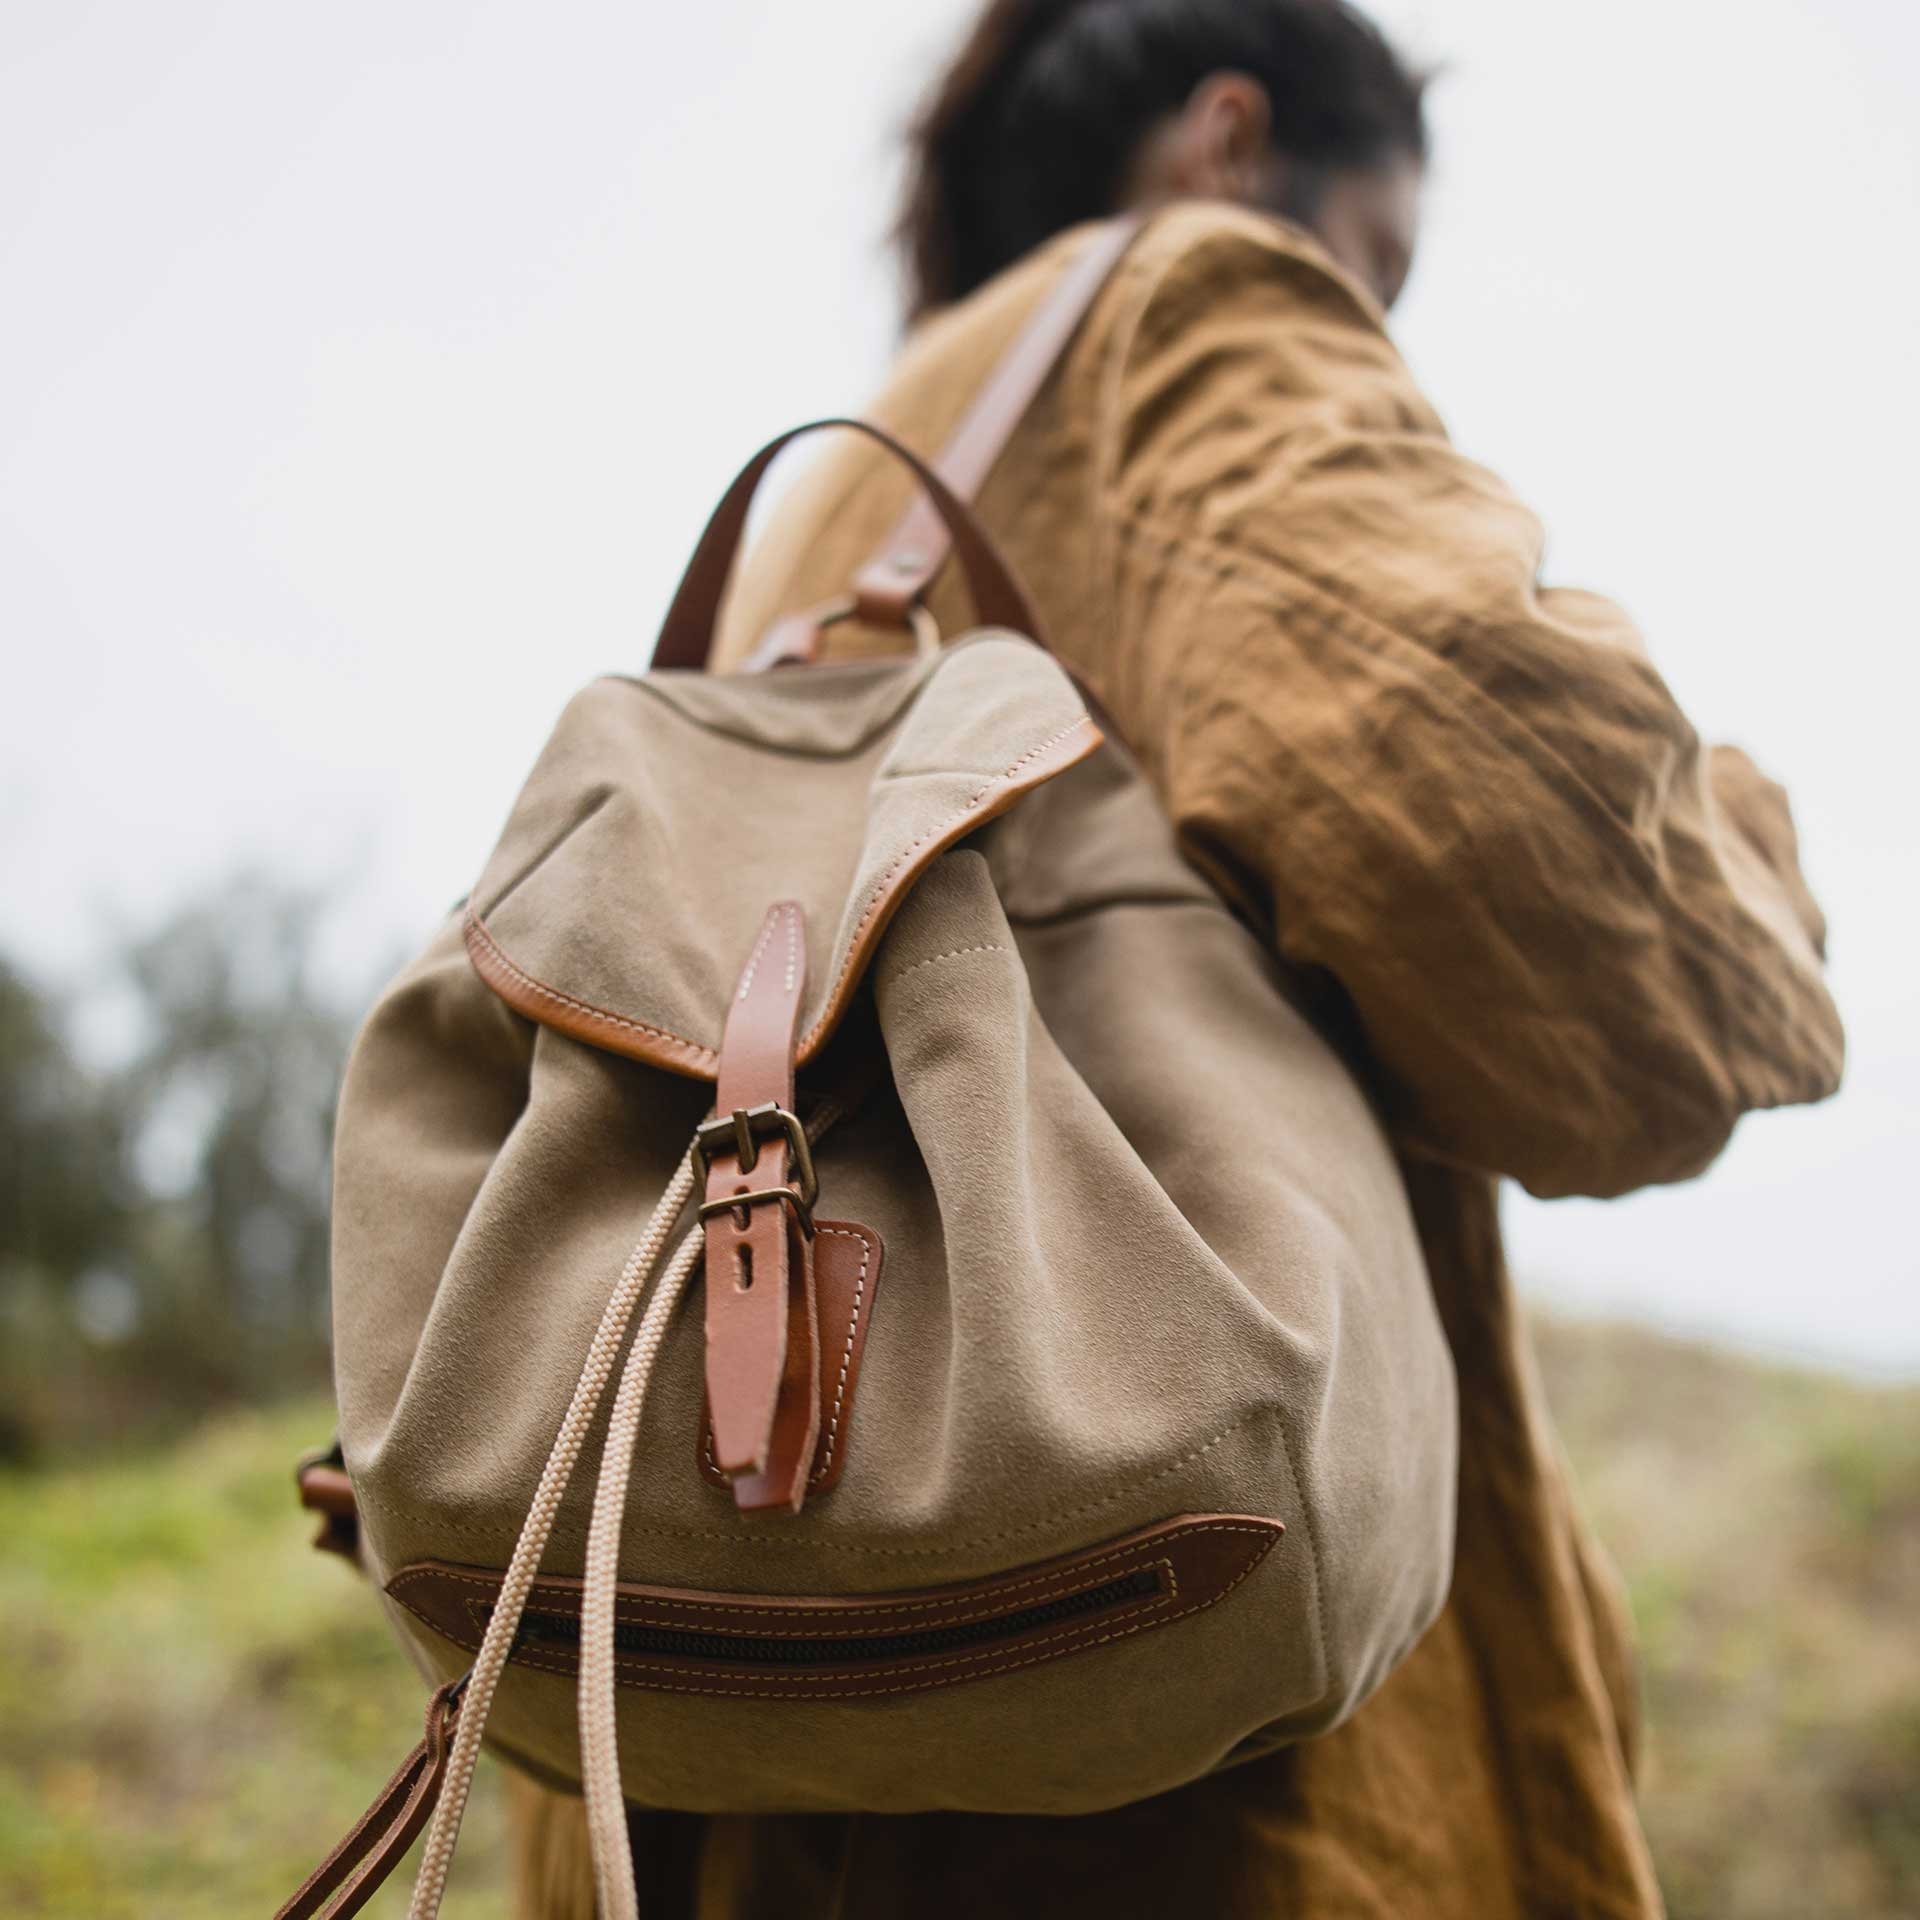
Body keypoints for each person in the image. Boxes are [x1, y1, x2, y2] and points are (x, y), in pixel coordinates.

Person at [513, 2, 1844, 1913]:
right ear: (1231, 142)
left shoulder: (836, 490)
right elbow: (1563, 900)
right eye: (1377, 263)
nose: (1374, 327)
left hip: (715, 1788)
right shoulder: (1188, 303)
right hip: (1185, 1829)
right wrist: (1760, 866)